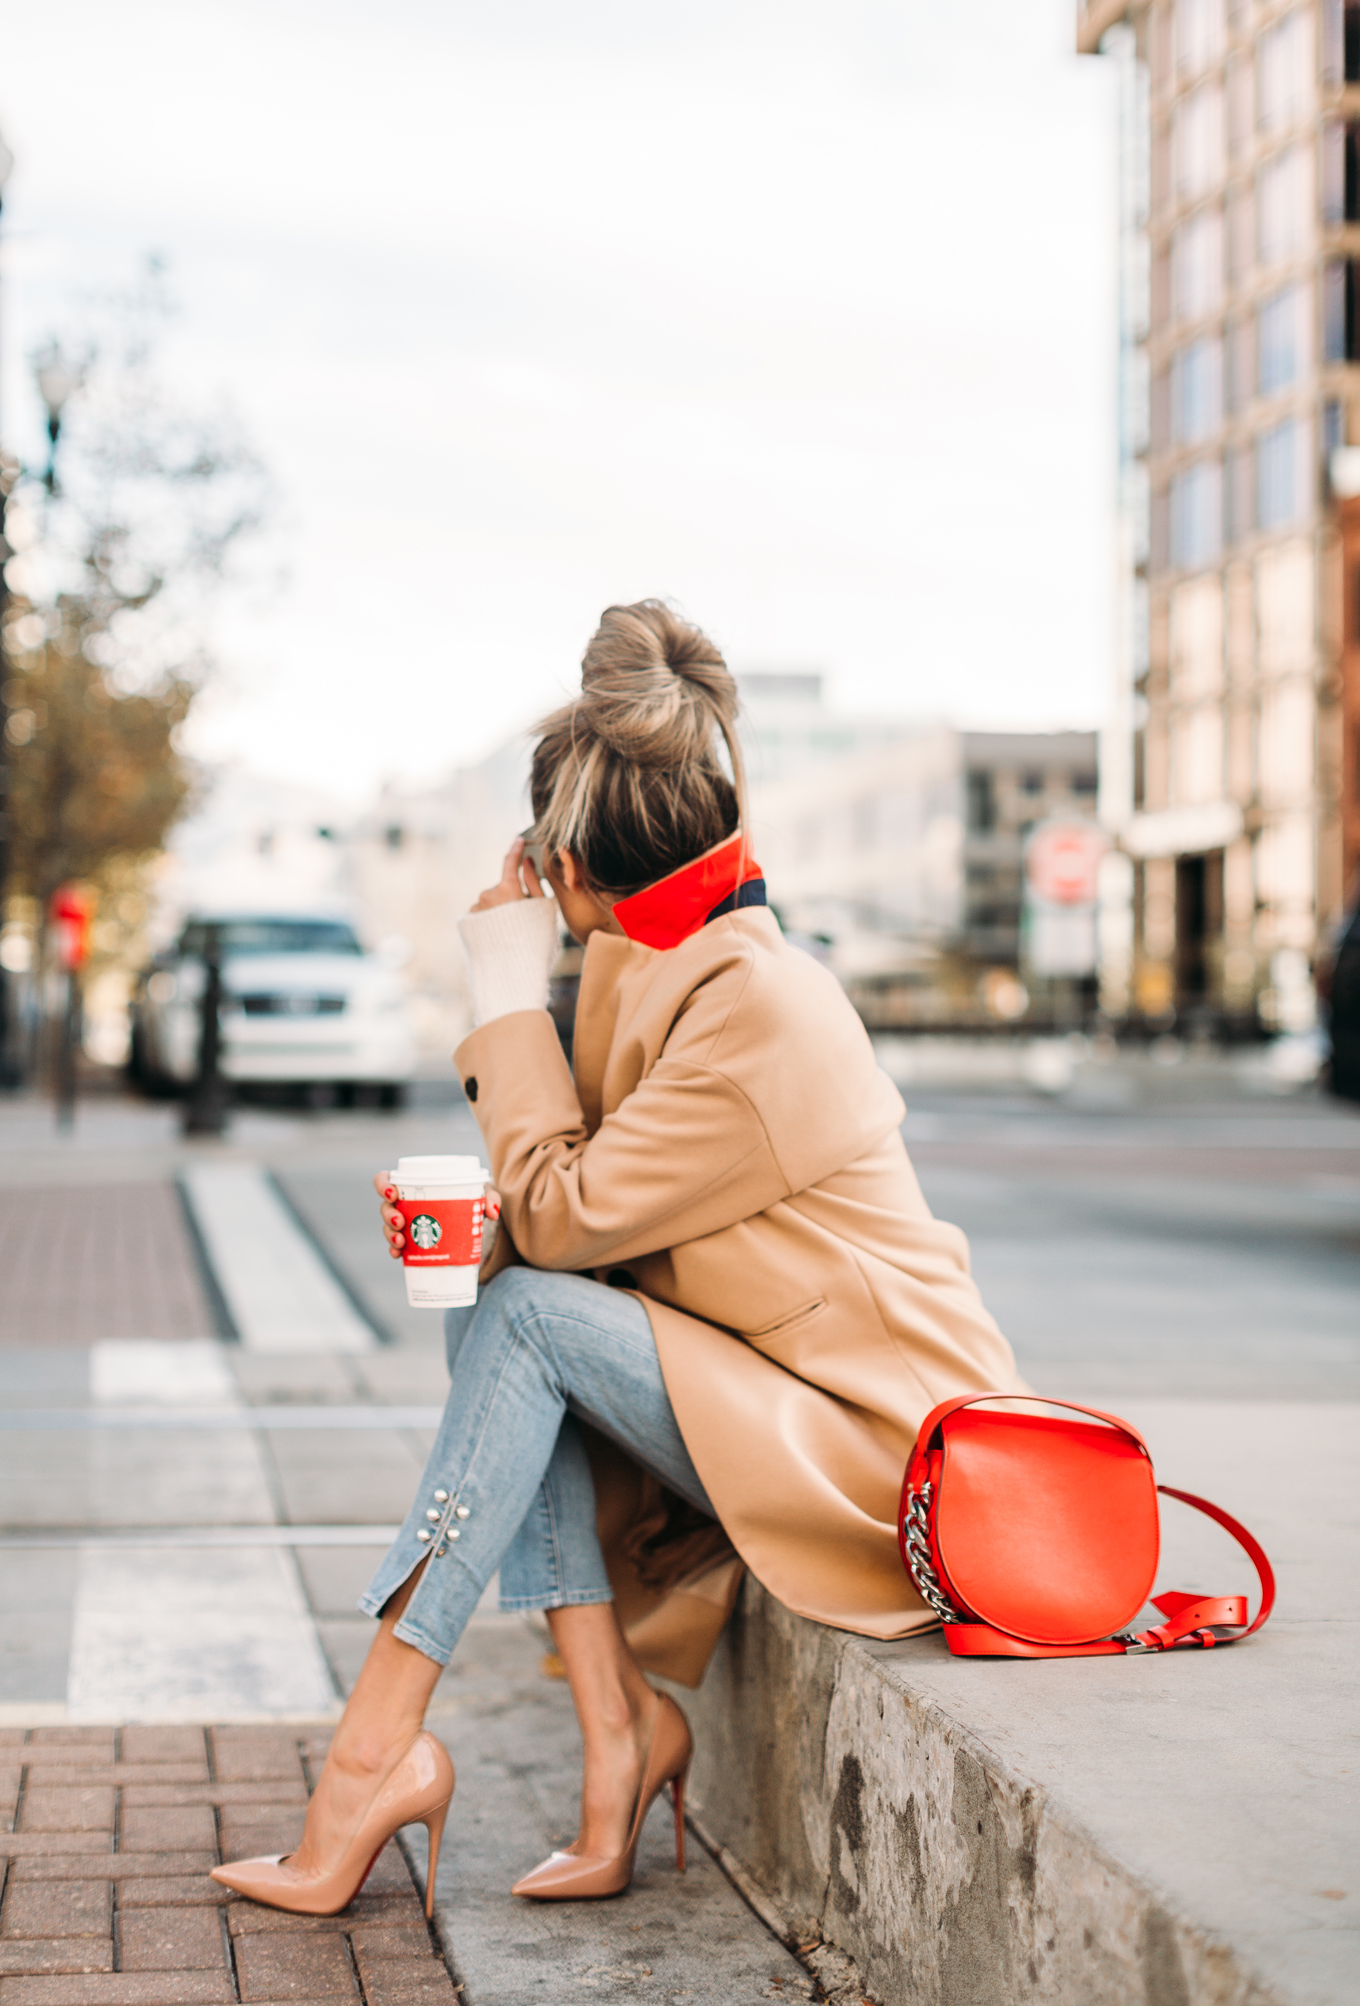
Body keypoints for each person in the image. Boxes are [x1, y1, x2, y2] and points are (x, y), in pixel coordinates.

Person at [211, 599, 1023, 1918]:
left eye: (549, 888)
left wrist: (499, 991)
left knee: (521, 1312)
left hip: (887, 1447)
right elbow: (569, 1209)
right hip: (773, 1393)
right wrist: (489, 1225)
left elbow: (563, 1214)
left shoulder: (757, 1001)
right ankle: (615, 1730)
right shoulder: (672, 967)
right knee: (503, 1309)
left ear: (575, 871)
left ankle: (374, 1751)